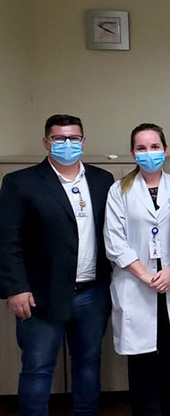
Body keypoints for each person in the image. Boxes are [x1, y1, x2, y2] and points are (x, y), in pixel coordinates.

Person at [0, 114, 114, 416]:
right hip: (40, 295)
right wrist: (16, 289)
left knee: (88, 365)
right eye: (59, 138)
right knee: (37, 369)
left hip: (92, 293)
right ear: (46, 142)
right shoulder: (20, 183)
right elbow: (7, 241)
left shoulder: (103, 180)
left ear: (83, 141)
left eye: (74, 138)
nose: (67, 144)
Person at [104, 123, 170, 415]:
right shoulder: (119, 190)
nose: (148, 153)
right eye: (141, 148)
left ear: (165, 149)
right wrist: (146, 276)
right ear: (132, 153)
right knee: (142, 367)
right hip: (138, 284)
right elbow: (115, 242)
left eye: (154, 147)